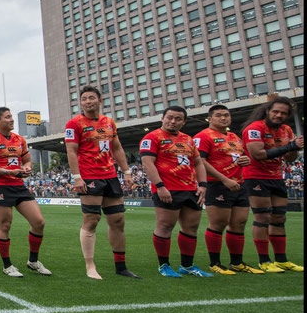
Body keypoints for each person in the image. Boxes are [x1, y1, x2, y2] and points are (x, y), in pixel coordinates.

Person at [65, 86, 140, 280]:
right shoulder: (74, 123)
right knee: (91, 220)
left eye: (91, 98)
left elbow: (117, 148)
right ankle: (90, 266)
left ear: (100, 101)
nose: (87, 101)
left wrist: (127, 172)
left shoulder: (109, 123)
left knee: (118, 221)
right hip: (89, 176)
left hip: (110, 176)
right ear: (80, 103)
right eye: (84, 99)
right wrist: (77, 177)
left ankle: (121, 266)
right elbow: (71, 151)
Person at [140, 106, 213, 278]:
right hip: (168, 189)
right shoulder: (151, 137)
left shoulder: (188, 139)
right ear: (162, 118)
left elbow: (198, 163)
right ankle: (163, 265)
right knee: (165, 226)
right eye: (170, 117)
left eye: (178, 119)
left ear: (184, 121)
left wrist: (202, 185)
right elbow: (148, 163)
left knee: (191, 227)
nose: (173, 121)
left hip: (191, 189)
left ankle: (187, 266)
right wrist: (160, 186)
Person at [0, 107, 50, 278]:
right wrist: (8, 172)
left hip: (19, 186)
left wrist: (26, 168)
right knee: (5, 225)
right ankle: (7, 265)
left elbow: (27, 159)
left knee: (39, 222)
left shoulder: (20, 140)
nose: (11, 120)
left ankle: (33, 261)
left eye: (11, 116)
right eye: (7, 117)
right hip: (1, 186)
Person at [193, 104, 262, 275]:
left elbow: (239, 157)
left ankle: (237, 263)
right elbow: (200, 162)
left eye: (226, 115)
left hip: (239, 184)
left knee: (239, 223)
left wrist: (245, 160)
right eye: (218, 115)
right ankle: (215, 263)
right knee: (218, 223)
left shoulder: (234, 137)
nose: (223, 118)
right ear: (210, 119)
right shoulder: (203, 136)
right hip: (217, 185)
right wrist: (224, 179)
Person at [241, 97, 305, 273]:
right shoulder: (255, 128)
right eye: (275, 111)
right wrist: (290, 145)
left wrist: (294, 148)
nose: (279, 115)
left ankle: (282, 259)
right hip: (255, 177)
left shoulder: (286, 130)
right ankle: (264, 260)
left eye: (283, 113)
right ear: (268, 111)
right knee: (262, 217)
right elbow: (257, 155)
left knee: (279, 218)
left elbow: (289, 158)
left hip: (276, 177)